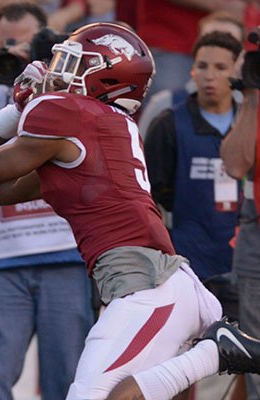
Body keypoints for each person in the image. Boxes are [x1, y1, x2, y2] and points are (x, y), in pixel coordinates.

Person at [0, 22, 260, 399]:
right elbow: (7, 191)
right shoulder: (104, 125)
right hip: (161, 281)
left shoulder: (68, 113)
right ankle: (214, 351)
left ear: (104, 74)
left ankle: (213, 354)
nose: (60, 73)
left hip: (146, 286)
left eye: (74, 63)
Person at [0, 3, 93, 399]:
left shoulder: (77, 85)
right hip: (0, 260)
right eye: (8, 46)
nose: (19, 55)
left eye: (30, 45)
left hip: (66, 256)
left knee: (72, 385)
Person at [145, 31, 242, 317]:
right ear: (192, 70)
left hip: (243, 261)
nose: (209, 76)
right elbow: (151, 194)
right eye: (202, 66)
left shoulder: (250, 123)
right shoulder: (169, 123)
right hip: (188, 260)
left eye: (220, 68)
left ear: (237, 71)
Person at [137, 10, 245, 141]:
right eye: (209, 40)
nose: (217, 50)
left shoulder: (252, 110)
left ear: (241, 56)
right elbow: (141, 156)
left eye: (227, 43)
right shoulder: (164, 104)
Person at [221, 76, 260, 398]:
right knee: (254, 342)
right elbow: (235, 164)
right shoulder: (253, 101)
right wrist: (251, 96)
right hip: (255, 225)